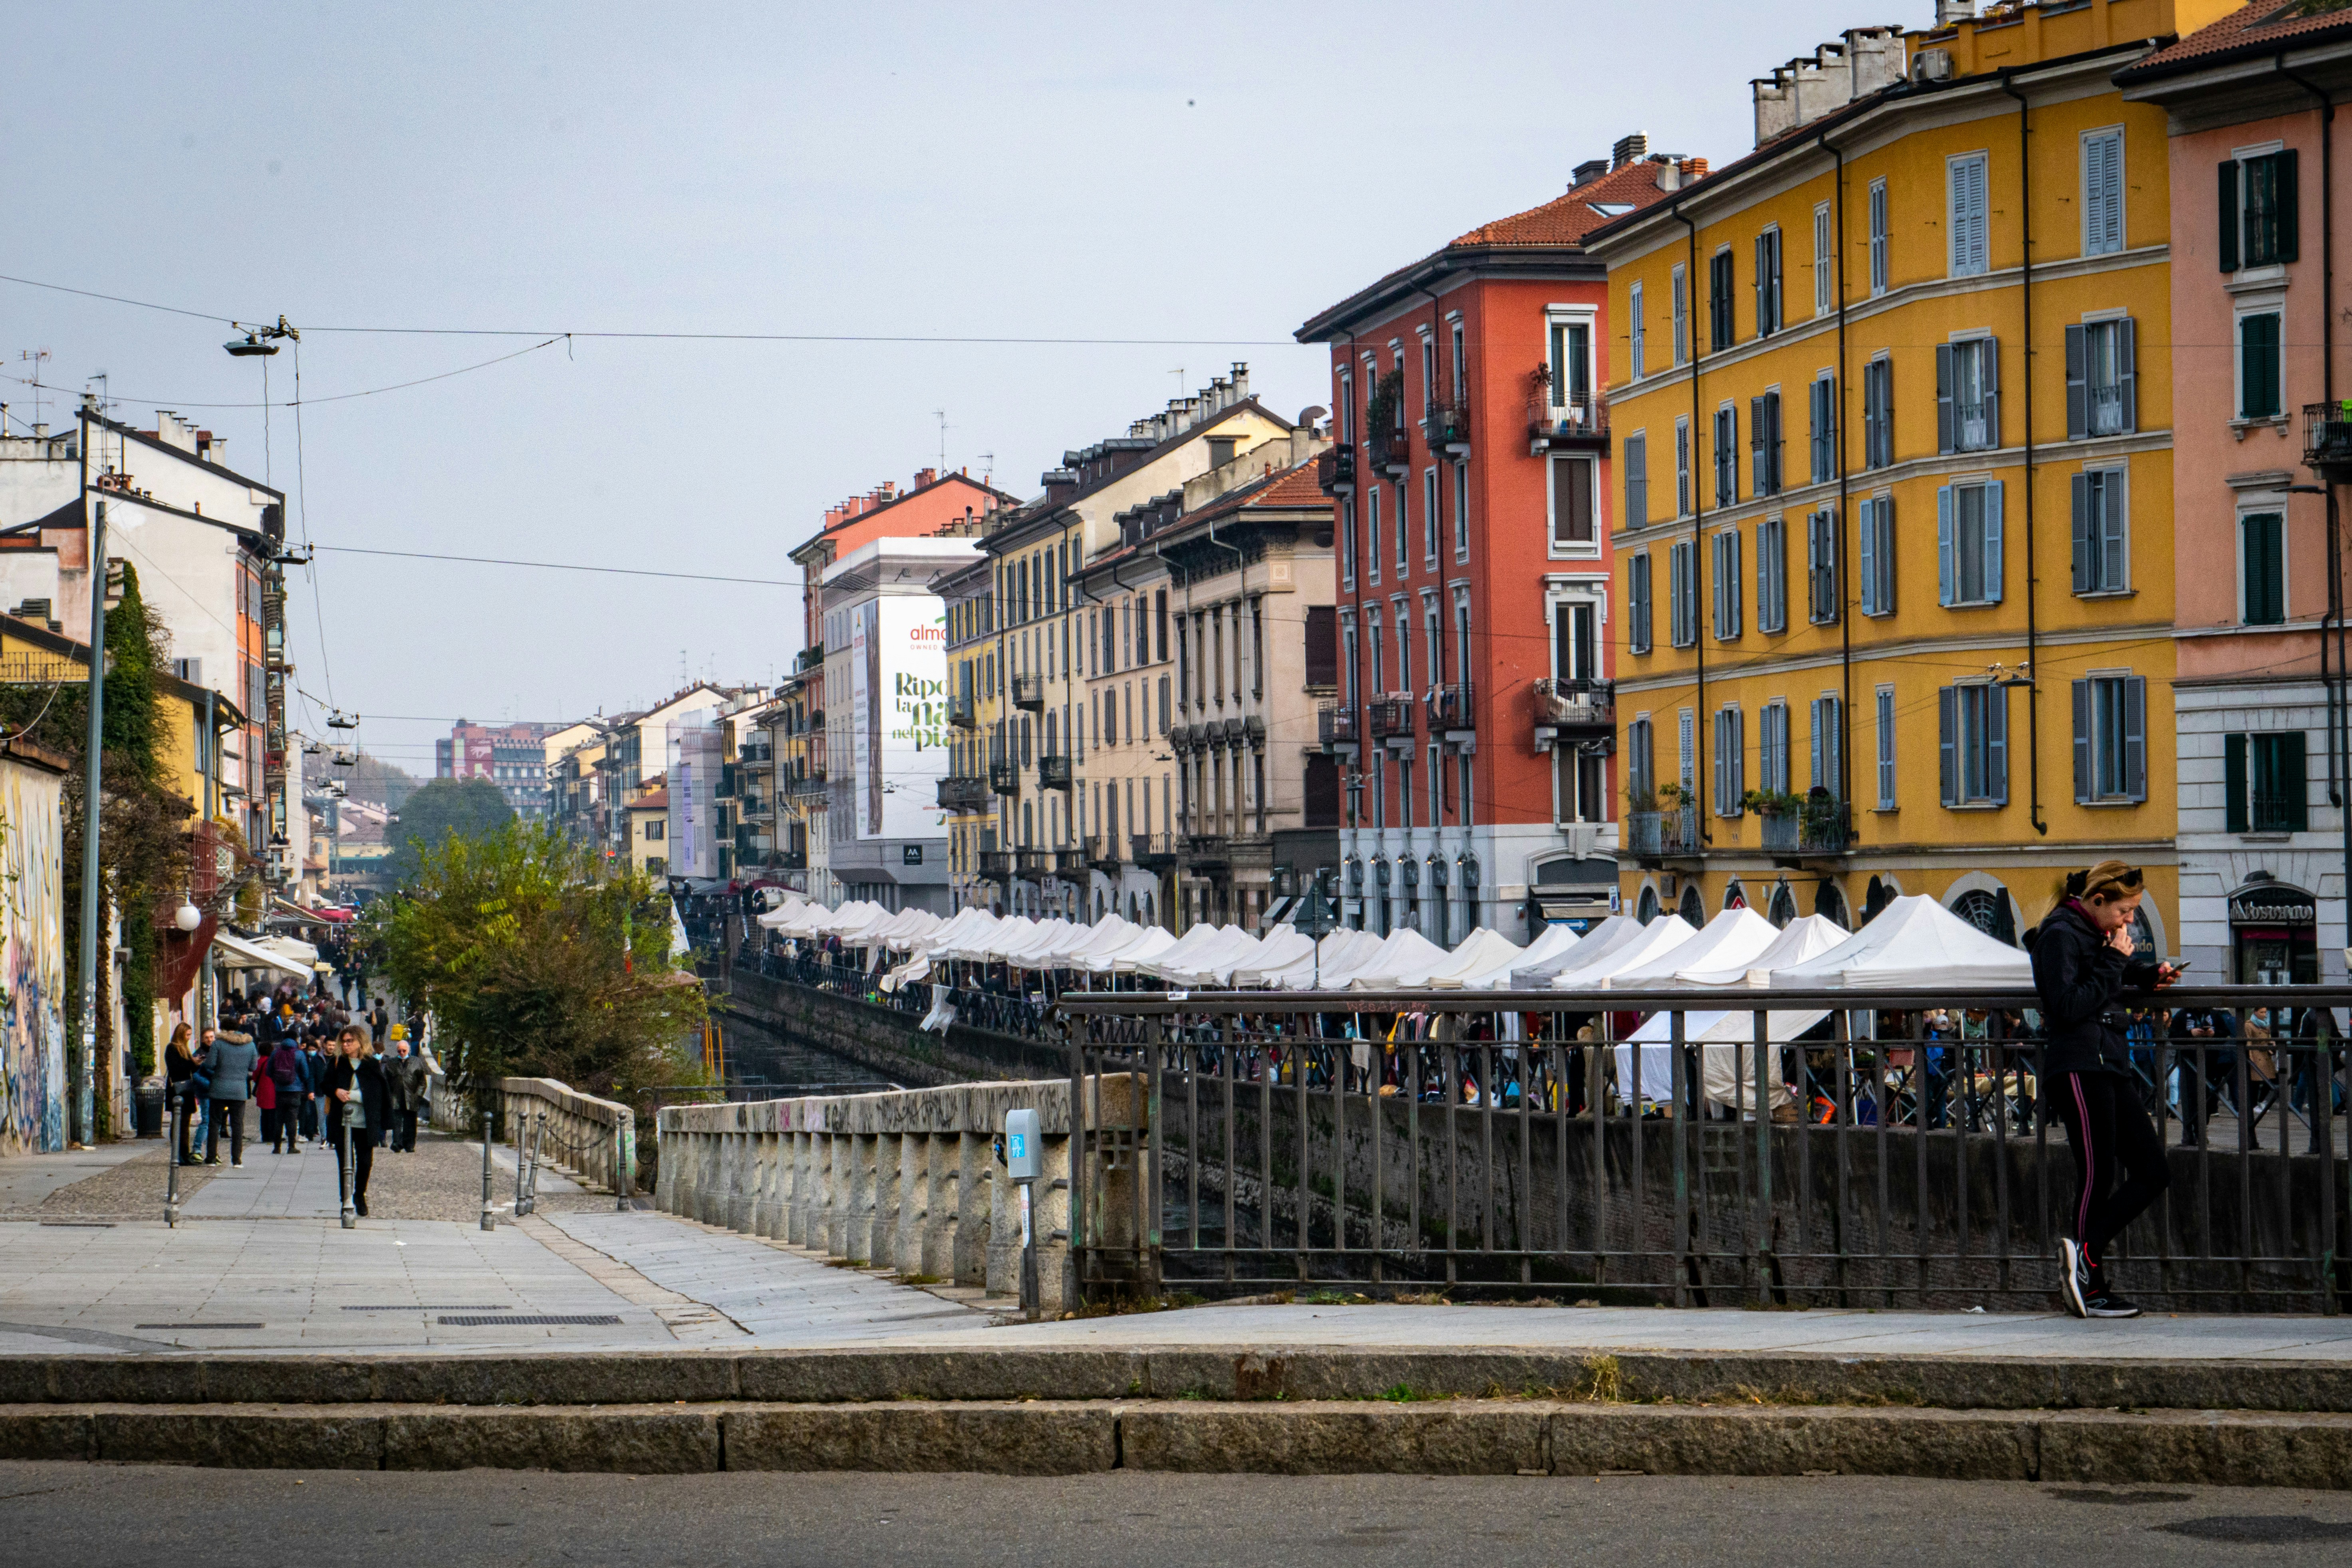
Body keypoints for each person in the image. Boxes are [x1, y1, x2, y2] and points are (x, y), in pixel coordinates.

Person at [2026, 860, 2180, 1320]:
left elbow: (2112, 978)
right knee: (2097, 1172)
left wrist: (2150, 974)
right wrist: (2116, 961)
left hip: (2108, 1060)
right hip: (2077, 1064)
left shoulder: (2093, 934)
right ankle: (2089, 1281)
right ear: (2097, 902)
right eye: (2125, 910)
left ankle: (2082, 1255)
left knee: (2154, 1171)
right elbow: (2066, 1004)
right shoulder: (2058, 934)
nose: (2129, 919)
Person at [321, 1026, 387, 1216]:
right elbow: (325, 1084)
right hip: (342, 1122)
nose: (346, 1045)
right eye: (344, 1041)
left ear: (360, 1043)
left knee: (365, 1162)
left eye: (351, 1041)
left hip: (365, 1122)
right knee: (345, 1162)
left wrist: (354, 1095)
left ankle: (360, 1195)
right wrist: (336, 1091)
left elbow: (377, 1091)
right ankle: (346, 1199)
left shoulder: (371, 1064)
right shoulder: (337, 1063)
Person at [200, 1021, 260, 1167]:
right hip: (239, 1090)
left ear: (223, 1029)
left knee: (214, 1123)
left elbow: (210, 1065)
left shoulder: (218, 1044)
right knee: (238, 1125)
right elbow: (253, 1067)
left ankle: (212, 1158)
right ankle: (237, 1159)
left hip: (219, 1089)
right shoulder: (250, 1045)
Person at [380, 1028, 425, 1154]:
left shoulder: (416, 1062)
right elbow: (386, 1080)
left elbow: (422, 1082)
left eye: (404, 1050)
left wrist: (418, 1096)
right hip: (396, 1097)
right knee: (397, 1123)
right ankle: (397, 1143)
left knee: (411, 1124)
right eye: (399, 1051)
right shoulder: (392, 1063)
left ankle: (410, 1144)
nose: (402, 1052)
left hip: (412, 1097)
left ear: (409, 1050)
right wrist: (388, 1096)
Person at [163, 1023, 201, 1166]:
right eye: (187, 1035)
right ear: (181, 1034)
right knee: (179, 1122)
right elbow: (176, 1068)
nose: (189, 1038)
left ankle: (185, 1153)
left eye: (190, 1035)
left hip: (187, 1088)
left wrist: (195, 1063)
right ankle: (179, 1153)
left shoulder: (185, 1048)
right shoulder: (172, 1048)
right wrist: (192, 1063)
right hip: (178, 1088)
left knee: (186, 1123)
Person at [264, 1032, 304, 1153]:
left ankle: (277, 1147)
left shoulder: (276, 1053)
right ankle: (291, 1146)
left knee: (279, 1118)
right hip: (295, 1091)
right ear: (296, 1040)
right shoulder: (299, 1054)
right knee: (292, 1119)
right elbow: (306, 1073)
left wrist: (277, 1081)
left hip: (280, 1090)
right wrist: (299, 1082)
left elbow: (268, 1071)